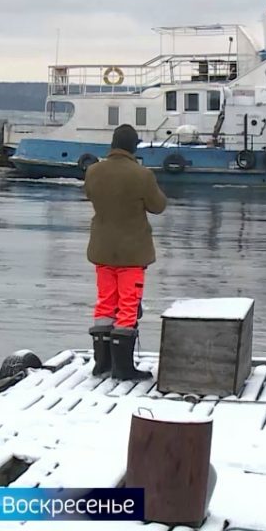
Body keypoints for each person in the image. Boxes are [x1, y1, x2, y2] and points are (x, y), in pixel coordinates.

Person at [85, 124, 167, 380]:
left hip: (102, 249)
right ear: (133, 146)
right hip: (132, 253)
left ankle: (102, 364)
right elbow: (158, 206)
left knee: (105, 303)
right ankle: (123, 368)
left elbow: (90, 195)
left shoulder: (93, 171)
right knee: (128, 305)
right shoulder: (142, 175)